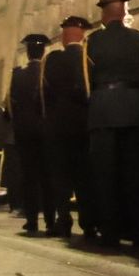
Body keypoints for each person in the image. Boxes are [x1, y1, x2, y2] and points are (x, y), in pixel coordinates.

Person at [85, 0, 139, 247]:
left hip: (103, 110)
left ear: (104, 14)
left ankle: (110, 231)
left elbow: (86, 77)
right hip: (133, 110)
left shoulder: (93, 41)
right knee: (134, 173)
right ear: (124, 12)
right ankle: (138, 231)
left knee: (106, 174)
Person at [44, 15, 93, 239]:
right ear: (82, 36)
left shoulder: (53, 61)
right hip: (83, 126)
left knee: (61, 177)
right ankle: (88, 223)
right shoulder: (88, 59)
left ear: (64, 37)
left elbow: (45, 94)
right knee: (84, 176)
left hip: (58, 127)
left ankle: (63, 220)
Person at [7, 34, 56, 235]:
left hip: (25, 133)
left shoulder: (18, 74)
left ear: (27, 53)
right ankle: (51, 220)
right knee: (47, 176)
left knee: (29, 177)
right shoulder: (49, 74)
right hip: (46, 132)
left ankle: (32, 220)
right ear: (43, 52)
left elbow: (12, 105)